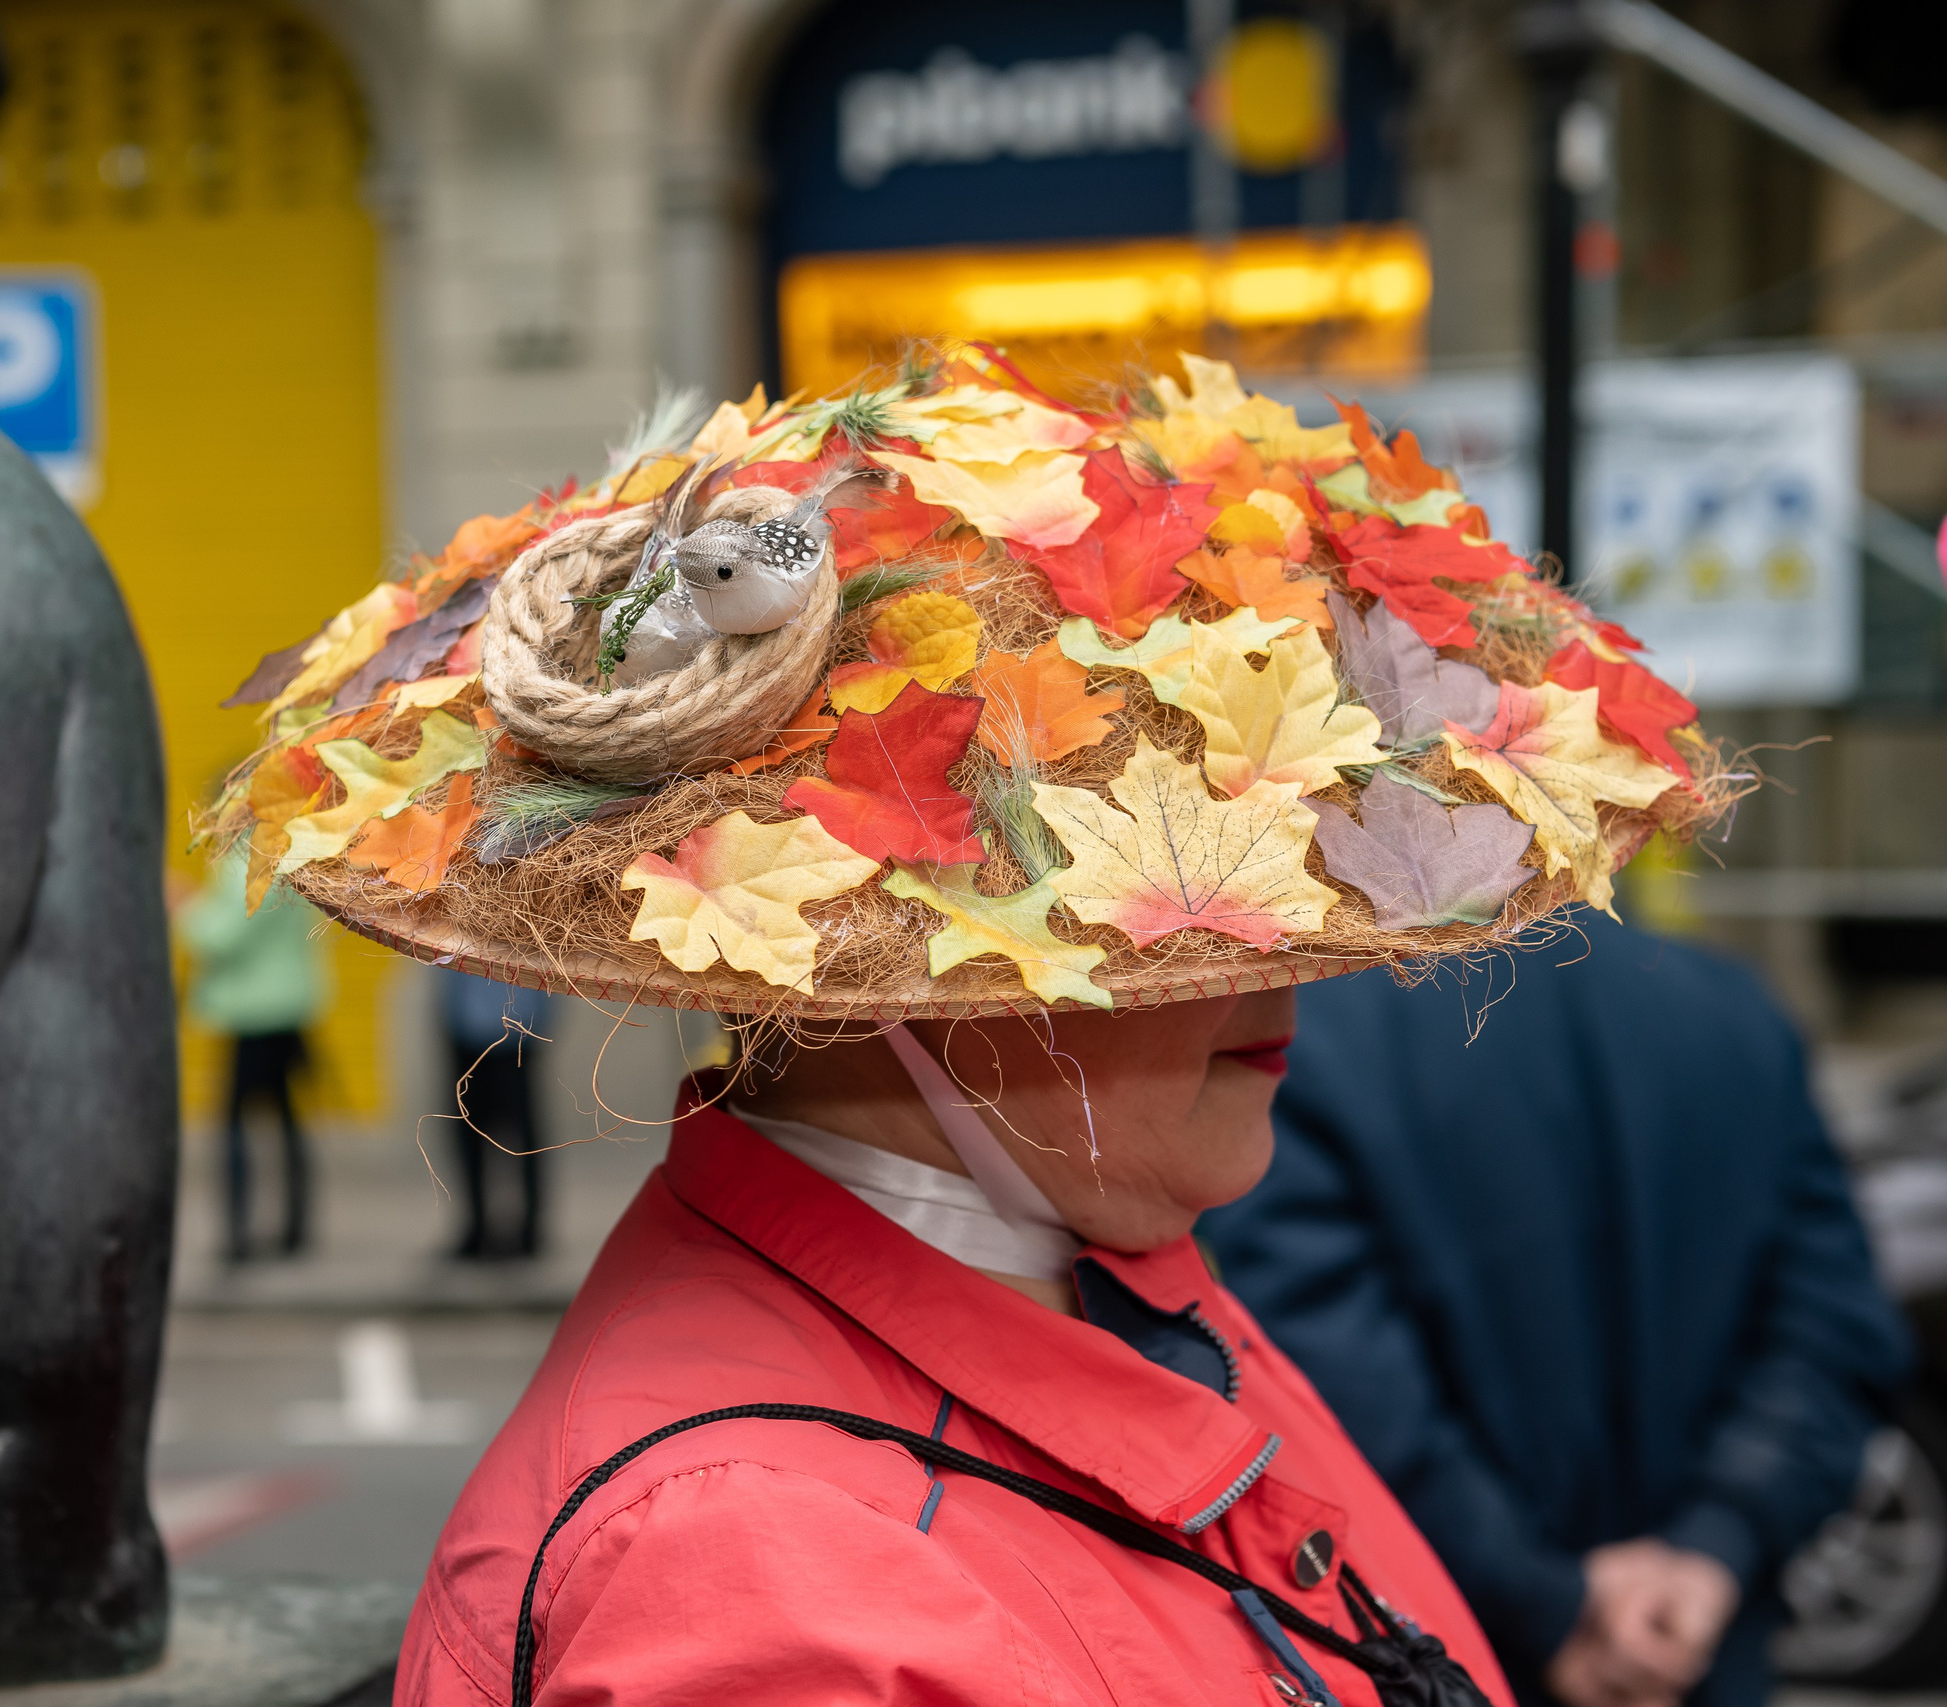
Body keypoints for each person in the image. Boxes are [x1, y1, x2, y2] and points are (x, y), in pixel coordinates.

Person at [210, 353, 1736, 1707]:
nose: (1286, 966)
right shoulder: (756, 1580)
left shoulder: (1088, 1254)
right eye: (1149, 915)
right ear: (892, 975)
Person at [1201, 916, 1913, 1707]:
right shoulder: (1732, 1009)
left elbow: (1334, 1386)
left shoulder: (1307, 1033)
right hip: (1694, 1649)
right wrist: (1710, 1552)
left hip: (1451, 1651)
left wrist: (1549, 1600)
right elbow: (1832, 1329)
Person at [177, 869, 330, 1259]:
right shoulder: (292, 844)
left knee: (235, 1125)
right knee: (285, 1118)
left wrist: (183, 905)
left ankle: (239, 1232)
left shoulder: (254, 857)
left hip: (255, 1010)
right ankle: (295, 1229)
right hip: (286, 1000)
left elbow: (224, 935)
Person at [441, 970, 558, 1261]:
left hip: (516, 1030)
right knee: (469, 1133)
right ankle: (477, 1227)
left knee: (523, 1137)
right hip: (467, 1027)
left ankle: (530, 1229)